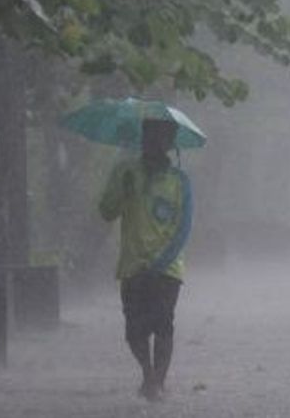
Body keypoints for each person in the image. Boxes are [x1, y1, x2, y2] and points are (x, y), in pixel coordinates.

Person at [99, 118, 193, 402]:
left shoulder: (179, 181)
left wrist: (161, 263)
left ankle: (157, 382)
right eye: (151, 137)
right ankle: (148, 373)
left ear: (169, 143)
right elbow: (106, 211)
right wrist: (123, 191)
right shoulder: (125, 173)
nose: (155, 144)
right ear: (144, 139)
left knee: (163, 323)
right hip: (132, 265)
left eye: (162, 138)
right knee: (134, 328)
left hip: (167, 268)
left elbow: (183, 227)